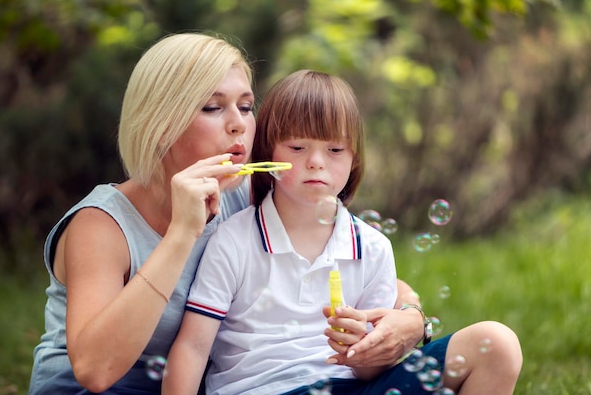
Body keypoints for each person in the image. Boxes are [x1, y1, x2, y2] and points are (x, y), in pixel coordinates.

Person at [28, 34, 427, 395]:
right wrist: (182, 233)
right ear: (160, 122)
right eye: (213, 107)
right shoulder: (100, 225)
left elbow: (347, 264)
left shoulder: (239, 195)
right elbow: (95, 371)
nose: (239, 125)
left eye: (247, 106)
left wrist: (411, 317)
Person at [163, 70, 523, 395]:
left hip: (348, 389)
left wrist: (361, 350)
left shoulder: (373, 247)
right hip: (265, 388)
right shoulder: (233, 240)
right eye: (298, 147)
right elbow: (193, 348)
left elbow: (372, 373)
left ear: (354, 159)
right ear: (268, 152)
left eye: (334, 149)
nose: (316, 161)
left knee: (496, 343)